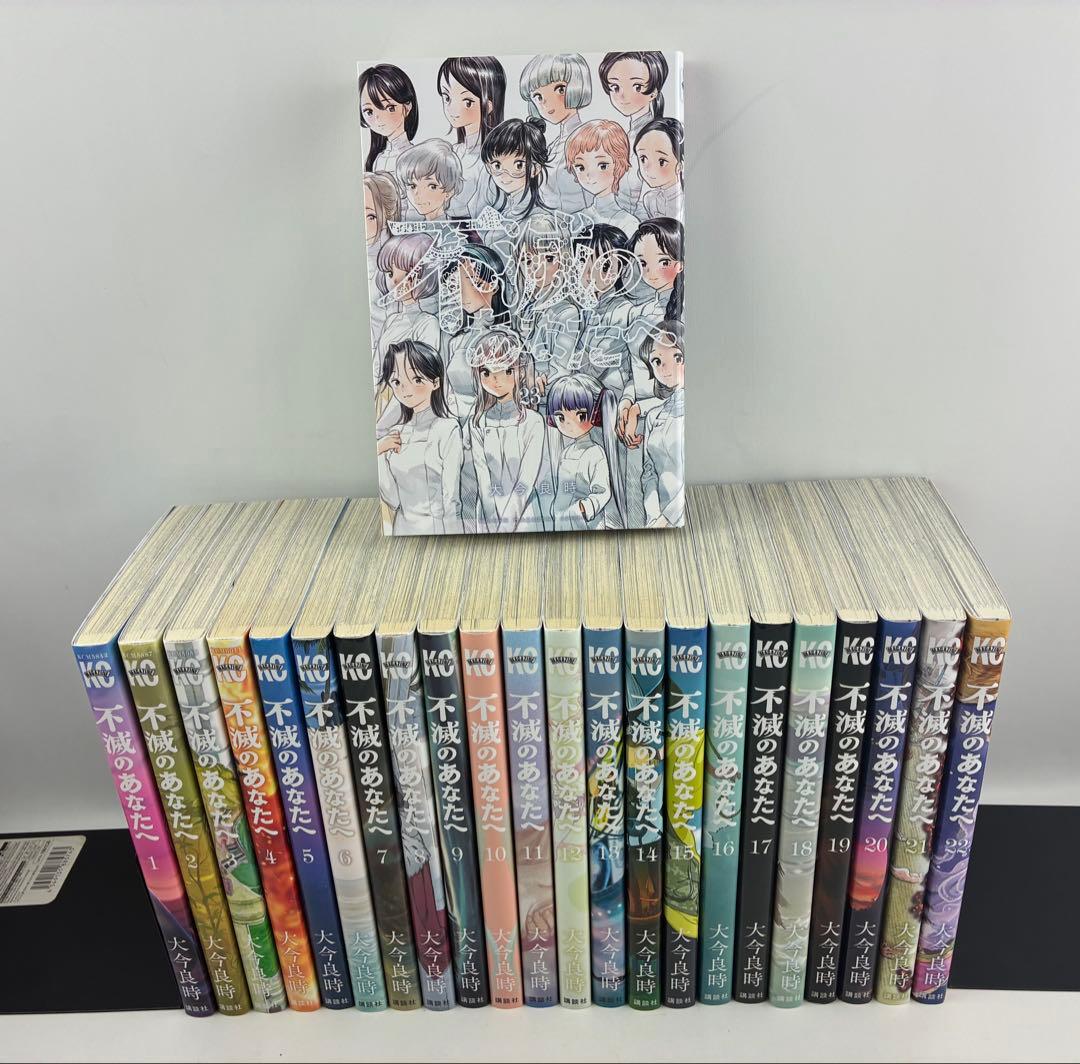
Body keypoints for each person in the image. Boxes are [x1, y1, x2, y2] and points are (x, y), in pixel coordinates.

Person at [466, 329, 550, 533]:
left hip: (525, 514)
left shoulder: (533, 422)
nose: (495, 380)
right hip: (487, 515)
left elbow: (527, 478)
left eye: (506, 371)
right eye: (486, 372)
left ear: (519, 371)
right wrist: (492, 519)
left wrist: (506, 524)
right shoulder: (478, 421)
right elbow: (482, 476)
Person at [376, 340, 463, 534]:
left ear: (435, 382)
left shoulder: (447, 429)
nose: (405, 389)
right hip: (403, 529)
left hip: (440, 529)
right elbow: (393, 499)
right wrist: (379, 453)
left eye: (416, 380)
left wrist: (451, 535)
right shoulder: (395, 433)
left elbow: (451, 497)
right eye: (397, 382)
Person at [546, 372, 626, 530]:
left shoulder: (596, 453)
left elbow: (602, 491)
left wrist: (584, 508)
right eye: (561, 417)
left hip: (587, 523)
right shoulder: (566, 452)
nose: (568, 424)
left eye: (580, 415)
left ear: (595, 415)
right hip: (562, 518)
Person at [519, 53, 593, 214]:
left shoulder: (588, 142)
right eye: (538, 96)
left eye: (560, 89)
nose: (547, 102)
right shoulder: (553, 146)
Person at [565, 119, 641, 237]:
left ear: (619, 165)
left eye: (602, 166)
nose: (589, 175)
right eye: (581, 167)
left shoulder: (628, 224)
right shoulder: (575, 221)